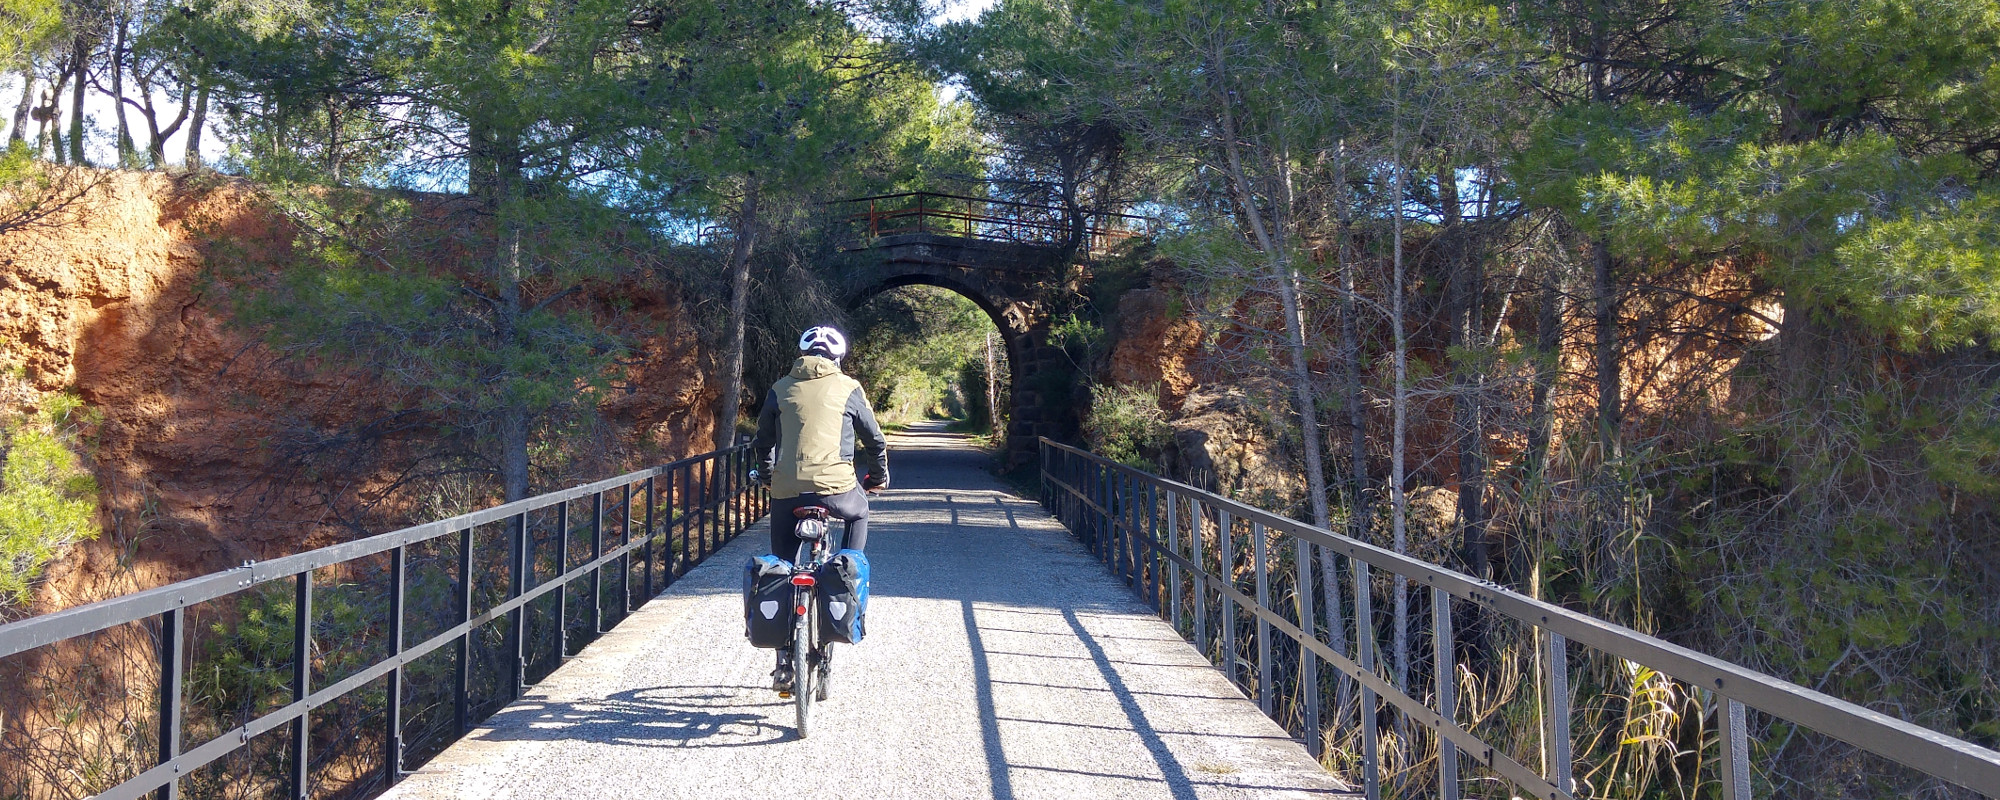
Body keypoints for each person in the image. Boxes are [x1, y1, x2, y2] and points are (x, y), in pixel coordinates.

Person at [749, 325, 888, 692]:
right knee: (859, 512)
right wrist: (878, 477)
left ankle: (783, 657)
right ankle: (847, 573)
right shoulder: (849, 388)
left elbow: (763, 442)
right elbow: (874, 439)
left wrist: (767, 478)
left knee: (780, 565)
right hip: (837, 490)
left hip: (787, 491)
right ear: (838, 358)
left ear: (802, 354)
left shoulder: (780, 388)